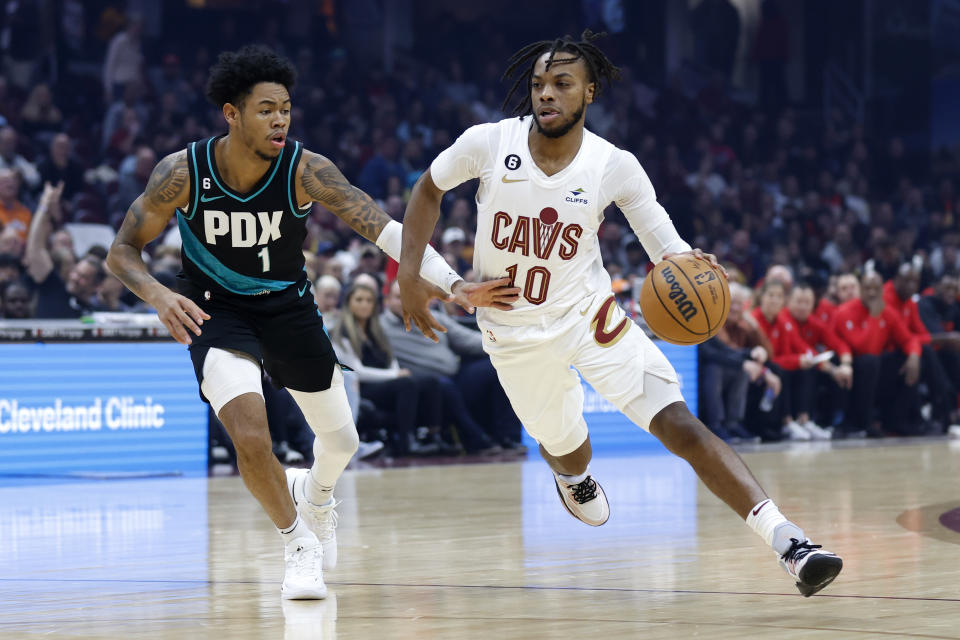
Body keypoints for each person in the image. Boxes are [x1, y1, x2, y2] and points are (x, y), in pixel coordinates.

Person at [398, 31, 842, 597]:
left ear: (589, 93)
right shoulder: (488, 143)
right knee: (567, 448)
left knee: (680, 424)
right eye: (538, 85)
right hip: (513, 333)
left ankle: (789, 542)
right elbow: (427, 189)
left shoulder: (614, 165)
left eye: (562, 84)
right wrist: (410, 275)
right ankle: (572, 476)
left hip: (590, 317)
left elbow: (664, 241)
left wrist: (688, 262)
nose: (546, 95)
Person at [106, 46, 515, 600]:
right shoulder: (182, 172)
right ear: (231, 113)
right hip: (216, 310)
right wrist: (157, 294)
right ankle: (299, 545)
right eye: (266, 109)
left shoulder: (305, 169)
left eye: (286, 109)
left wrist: (452, 284)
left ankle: (317, 495)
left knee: (341, 439)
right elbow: (123, 250)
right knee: (251, 436)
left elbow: (383, 227)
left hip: (290, 309)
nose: (280, 119)